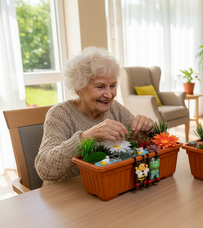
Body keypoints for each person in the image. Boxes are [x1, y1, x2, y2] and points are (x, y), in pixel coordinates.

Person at [35, 47, 153, 186]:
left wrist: (147, 128)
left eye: (112, 86)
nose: (109, 95)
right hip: (66, 194)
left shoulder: (115, 108)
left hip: (105, 186)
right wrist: (85, 138)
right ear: (78, 89)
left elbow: (139, 143)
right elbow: (45, 169)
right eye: (100, 87)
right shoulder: (60, 114)